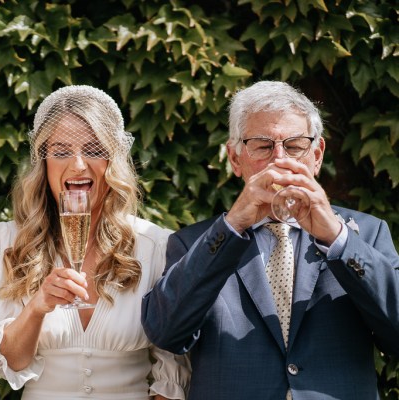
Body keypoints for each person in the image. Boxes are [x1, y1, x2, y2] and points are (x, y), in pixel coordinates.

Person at [141, 81, 399, 399]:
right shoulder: (193, 242)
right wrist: (233, 224)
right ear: (235, 158)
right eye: (263, 146)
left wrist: (337, 237)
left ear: (316, 156)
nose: (279, 160)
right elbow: (165, 331)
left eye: (294, 146)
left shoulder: (367, 233)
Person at [0, 85, 189, 399]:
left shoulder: (155, 246)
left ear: (112, 159)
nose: (77, 165)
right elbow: (10, 362)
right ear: (43, 162)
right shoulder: (7, 241)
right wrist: (38, 308)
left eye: (94, 149)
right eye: (61, 152)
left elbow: (173, 364)